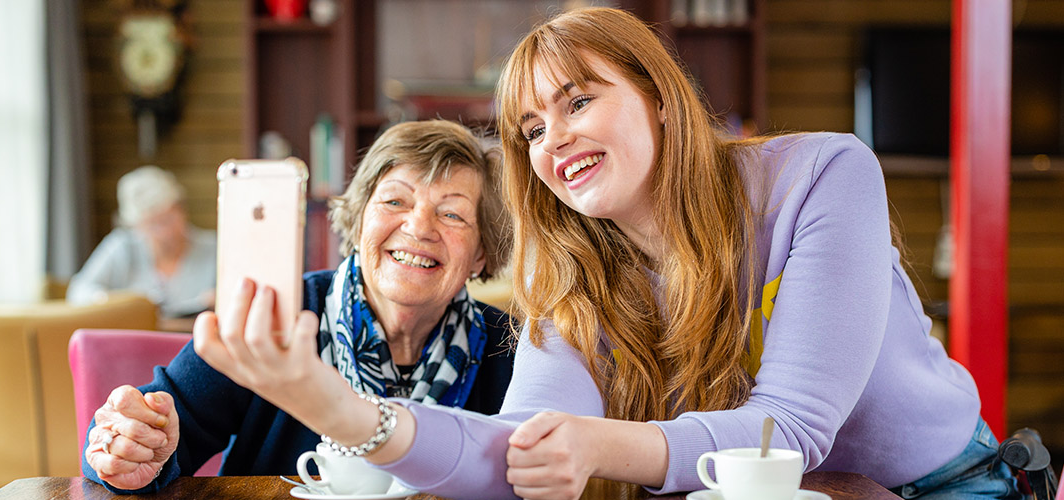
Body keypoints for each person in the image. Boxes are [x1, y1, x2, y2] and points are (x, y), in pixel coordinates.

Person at [191, 8, 1020, 500]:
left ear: (657, 96)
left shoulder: (820, 175)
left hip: (939, 489)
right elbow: (514, 451)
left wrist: (593, 444)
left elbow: (789, 429)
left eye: (578, 100)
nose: (555, 140)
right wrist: (330, 406)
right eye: (532, 129)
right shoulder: (572, 276)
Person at [81, 120, 514, 494]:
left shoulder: (510, 347)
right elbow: (153, 433)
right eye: (395, 201)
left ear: (480, 254)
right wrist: (131, 448)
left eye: (453, 215)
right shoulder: (274, 312)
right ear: (359, 219)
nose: (419, 226)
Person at [67, 165, 216, 318]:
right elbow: (79, 291)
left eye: (169, 219)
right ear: (136, 225)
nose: (166, 231)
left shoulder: (213, 247)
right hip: (136, 337)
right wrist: (113, 301)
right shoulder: (122, 246)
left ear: (182, 209)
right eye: (154, 224)